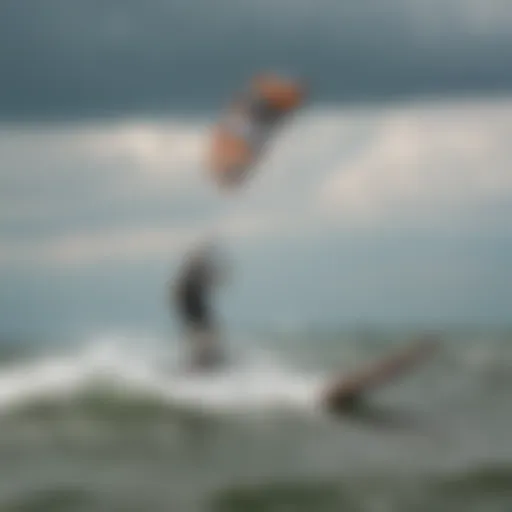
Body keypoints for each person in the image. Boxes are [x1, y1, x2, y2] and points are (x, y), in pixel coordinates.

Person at [171, 242, 227, 371]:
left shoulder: (192, 278)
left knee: (208, 340)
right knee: (202, 342)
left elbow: (215, 280)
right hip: (194, 316)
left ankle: (206, 365)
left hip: (199, 316)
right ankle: (199, 367)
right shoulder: (189, 279)